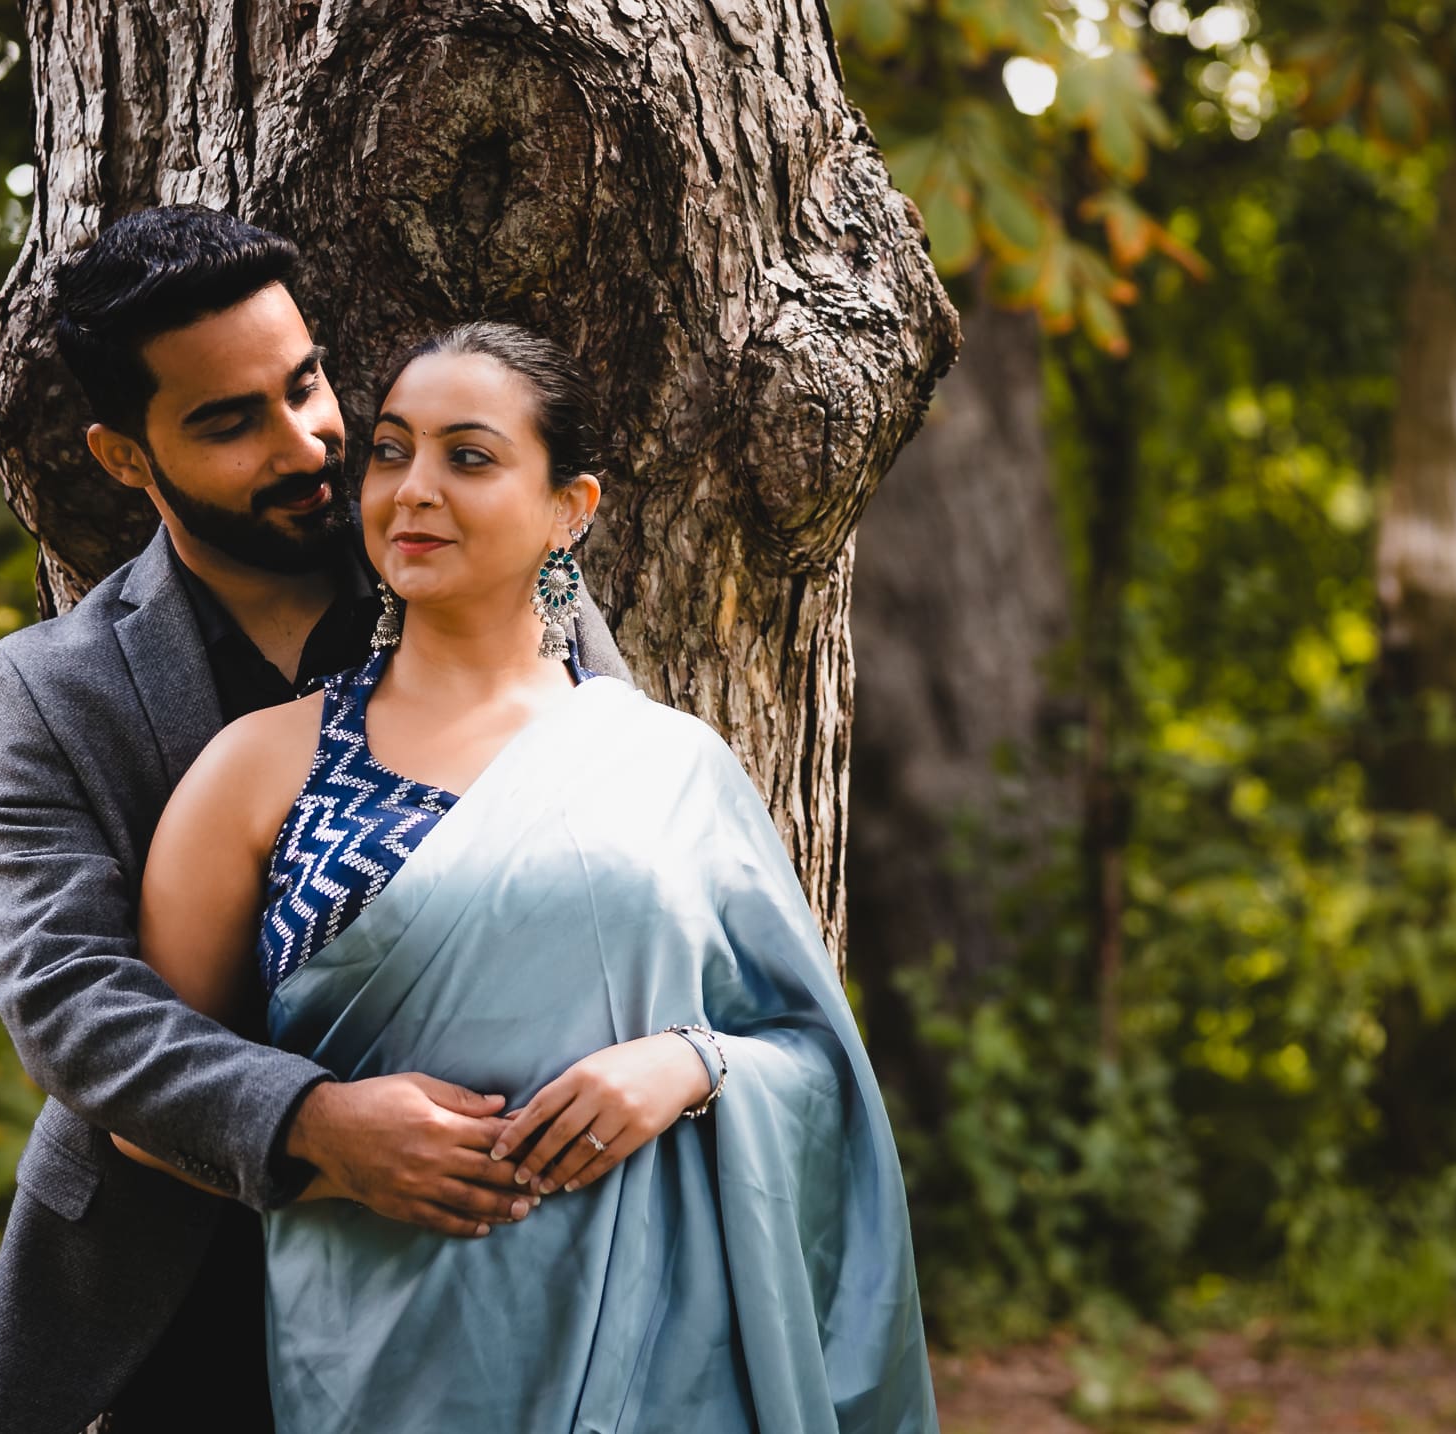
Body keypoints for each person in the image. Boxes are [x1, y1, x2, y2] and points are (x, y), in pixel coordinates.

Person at [120, 322, 940, 1431]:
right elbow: (148, 1106)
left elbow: (818, 1066)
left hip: (672, 1357)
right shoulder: (261, 768)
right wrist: (335, 1150)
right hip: (386, 1350)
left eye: (469, 456)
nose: (412, 491)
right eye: (391, 451)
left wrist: (690, 1067)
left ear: (571, 508)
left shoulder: (669, 765)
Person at [0, 208, 629, 1434]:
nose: (309, 439)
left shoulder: (492, 576)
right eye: (229, 420)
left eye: (306, 381)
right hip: (181, 1280)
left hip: (504, 1260)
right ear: (123, 457)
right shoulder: (48, 692)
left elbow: (637, 857)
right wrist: (313, 1124)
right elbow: (68, 1002)